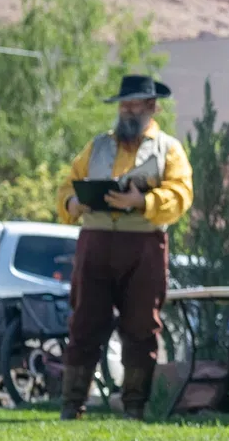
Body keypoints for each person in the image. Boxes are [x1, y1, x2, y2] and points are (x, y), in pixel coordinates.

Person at [57, 74, 193, 420]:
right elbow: (68, 186)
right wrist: (74, 203)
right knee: (84, 322)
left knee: (142, 326)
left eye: (134, 104)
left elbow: (181, 194)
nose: (128, 110)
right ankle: (72, 405)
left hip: (144, 245)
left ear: (152, 107)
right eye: (124, 104)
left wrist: (142, 201)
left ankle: (135, 407)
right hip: (95, 242)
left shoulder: (169, 149)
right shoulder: (96, 146)